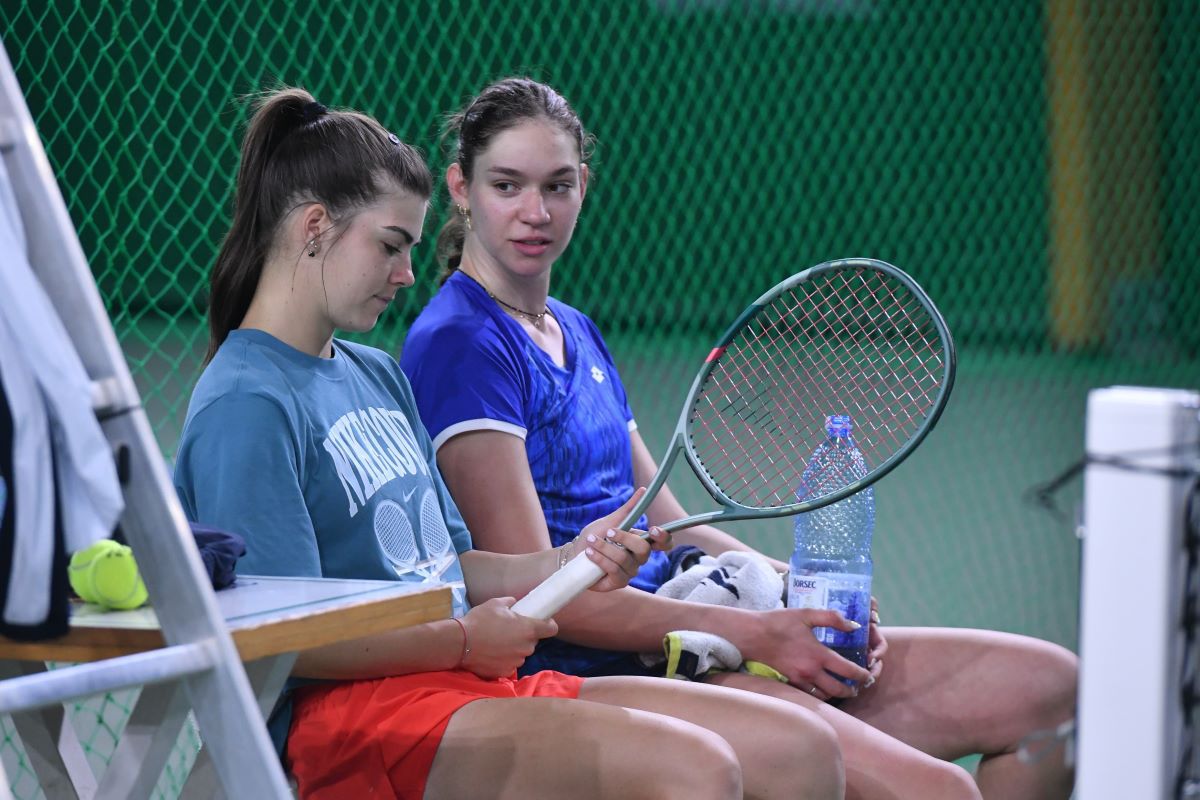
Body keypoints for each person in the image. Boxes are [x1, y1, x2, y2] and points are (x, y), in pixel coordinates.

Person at [400, 76, 1079, 800]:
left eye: (557, 186)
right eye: (507, 186)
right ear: (461, 188)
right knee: (942, 793)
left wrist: (790, 590)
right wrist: (756, 637)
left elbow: (660, 515)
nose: (535, 213)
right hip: (607, 671)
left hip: (704, 624)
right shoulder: (460, 346)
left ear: (584, 185)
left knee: (1050, 692)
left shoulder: (574, 328)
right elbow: (549, 596)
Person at [172, 87, 846, 800]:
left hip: (460, 680)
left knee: (797, 751)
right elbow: (285, 640)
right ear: (314, 227)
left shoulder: (373, 373)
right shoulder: (247, 401)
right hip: (350, 718)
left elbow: (457, 566)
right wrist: (462, 641)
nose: (407, 274)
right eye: (390, 246)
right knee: (697, 770)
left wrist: (569, 559)